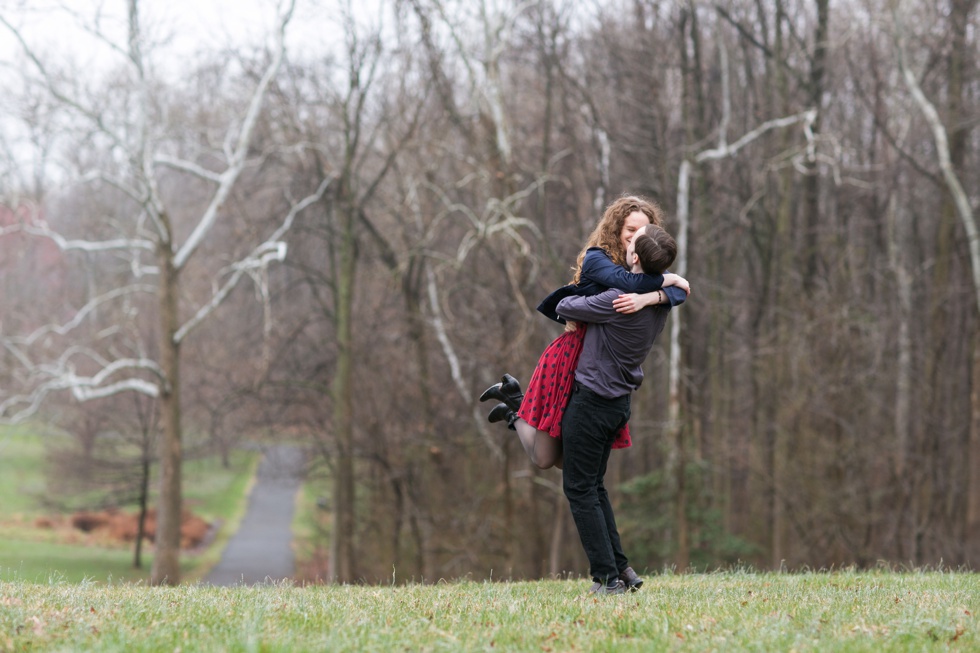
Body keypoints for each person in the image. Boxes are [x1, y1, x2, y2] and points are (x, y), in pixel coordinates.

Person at [480, 196, 688, 473]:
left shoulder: (643, 266)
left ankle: (513, 403)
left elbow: (678, 294)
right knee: (544, 458)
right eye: (630, 230)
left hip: (600, 366)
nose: (634, 237)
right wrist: (668, 280)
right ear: (616, 229)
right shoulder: (597, 258)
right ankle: (515, 409)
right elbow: (628, 283)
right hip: (571, 357)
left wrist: (651, 298)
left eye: (642, 232)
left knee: (569, 462)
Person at [556, 223, 676, 595]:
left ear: (635, 257)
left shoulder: (613, 302)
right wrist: (652, 292)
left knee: (579, 489)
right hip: (618, 405)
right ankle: (622, 569)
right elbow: (671, 292)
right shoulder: (660, 302)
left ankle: (607, 579)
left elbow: (563, 305)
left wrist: (614, 288)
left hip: (592, 403)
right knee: (594, 486)